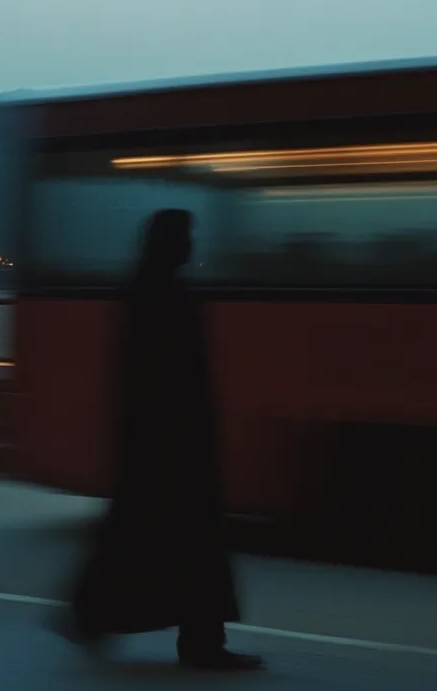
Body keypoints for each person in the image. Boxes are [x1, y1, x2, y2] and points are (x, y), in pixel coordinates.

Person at [50, 209, 263, 671]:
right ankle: (196, 639)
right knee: (187, 543)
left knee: (143, 539)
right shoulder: (165, 296)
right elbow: (174, 379)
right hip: (173, 444)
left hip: (155, 443)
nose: (192, 245)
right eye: (185, 237)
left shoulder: (145, 292)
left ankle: (97, 615)